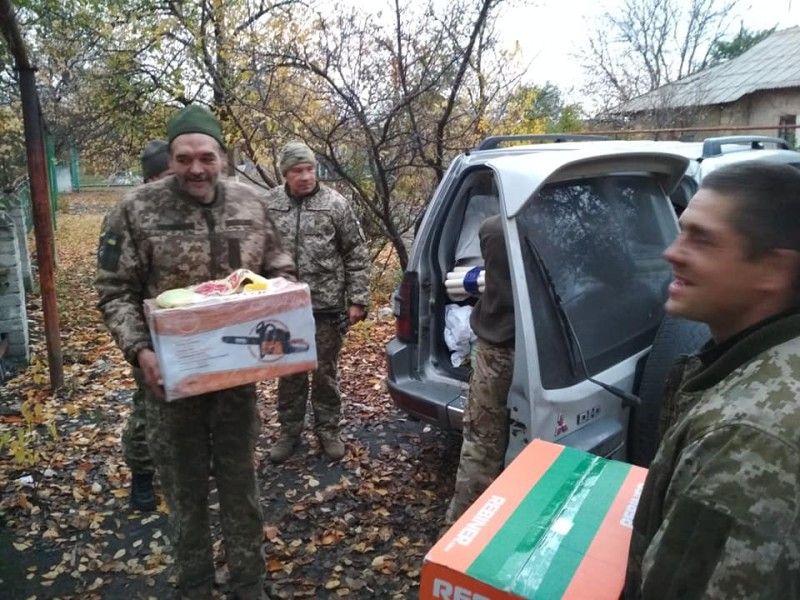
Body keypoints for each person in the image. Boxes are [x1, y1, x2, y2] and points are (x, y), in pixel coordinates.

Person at [96, 105, 295, 600]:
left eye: (206, 157)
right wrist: (139, 350)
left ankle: (249, 584)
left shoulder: (252, 203)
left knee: (240, 487)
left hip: (235, 379)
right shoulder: (135, 210)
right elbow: (114, 291)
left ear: (223, 156)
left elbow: (279, 266)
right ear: (171, 158)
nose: (196, 169)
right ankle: (195, 586)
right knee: (184, 495)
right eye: (183, 158)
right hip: (170, 380)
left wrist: (283, 300)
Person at [625, 161, 800, 599]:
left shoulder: (746, 441)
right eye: (682, 231)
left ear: (773, 271)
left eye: (701, 239)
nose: (672, 253)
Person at [264, 141, 370, 463]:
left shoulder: (335, 204)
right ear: (285, 174)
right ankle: (289, 432)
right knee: (290, 372)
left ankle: (328, 429)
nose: (306, 176)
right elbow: (258, 252)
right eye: (298, 170)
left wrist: (358, 299)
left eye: (310, 169)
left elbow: (356, 252)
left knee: (325, 372)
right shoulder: (269, 205)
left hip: (327, 306)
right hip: (284, 307)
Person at [444, 214, 514, 524]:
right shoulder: (559, 224)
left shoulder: (493, 228)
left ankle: (461, 530)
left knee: (481, 445)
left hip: (495, 351)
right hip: (533, 349)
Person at [120, 139, 171, 512]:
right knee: (149, 409)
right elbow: (116, 291)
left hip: (195, 331)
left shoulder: (197, 210)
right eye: (164, 176)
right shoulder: (130, 217)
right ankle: (141, 475)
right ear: (150, 179)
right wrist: (138, 346)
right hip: (151, 337)